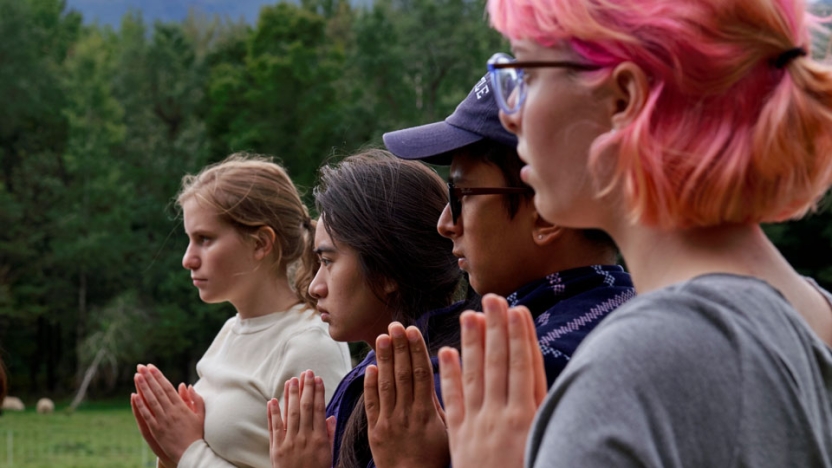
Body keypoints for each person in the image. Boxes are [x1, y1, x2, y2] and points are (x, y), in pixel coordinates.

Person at [439, 0, 832, 466]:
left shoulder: (629, 372)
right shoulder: (816, 313)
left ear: (623, 99)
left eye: (525, 74)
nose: (509, 115)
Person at [384, 73, 635, 387]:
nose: (445, 224)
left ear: (545, 213)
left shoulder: (531, 371)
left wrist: (444, 438)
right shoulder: (639, 319)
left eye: (461, 194)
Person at [131, 154, 352, 468]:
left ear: (261, 243)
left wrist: (187, 451)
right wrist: (168, 455)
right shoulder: (230, 332)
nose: (187, 259)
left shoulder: (309, 345)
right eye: (189, 240)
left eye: (204, 239)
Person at [267, 150, 468, 468]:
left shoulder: (423, 399)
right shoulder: (386, 377)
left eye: (328, 261)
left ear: (387, 269)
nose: (314, 287)